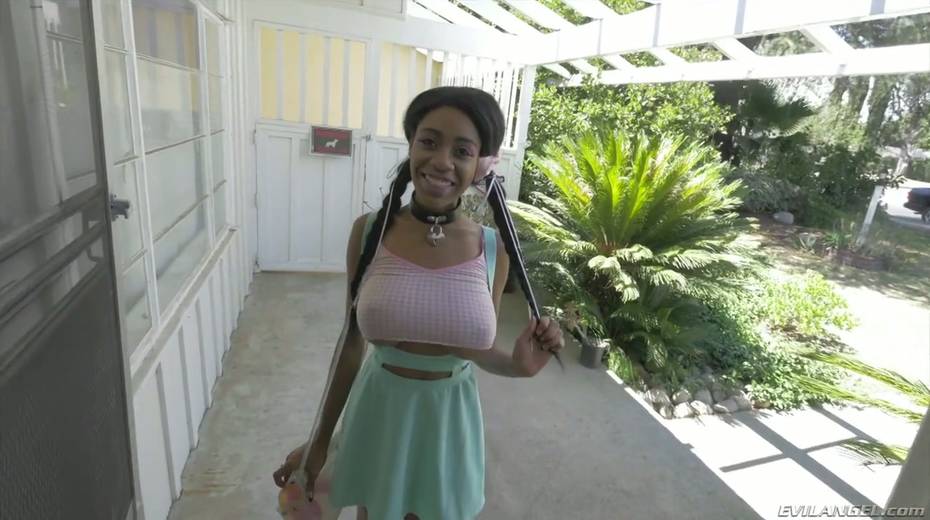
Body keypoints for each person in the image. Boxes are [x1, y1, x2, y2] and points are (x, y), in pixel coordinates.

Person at [273, 86, 565, 520]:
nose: (442, 161)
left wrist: (518, 366)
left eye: (462, 150)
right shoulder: (369, 232)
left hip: (448, 422)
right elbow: (351, 344)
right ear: (411, 145)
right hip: (379, 412)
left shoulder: (492, 248)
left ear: (480, 163)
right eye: (429, 141)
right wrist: (319, 442)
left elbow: (476, 347)